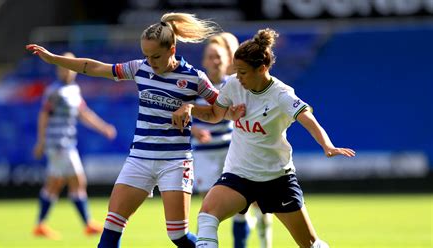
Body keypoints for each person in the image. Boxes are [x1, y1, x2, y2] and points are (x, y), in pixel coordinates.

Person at [26, 12, 221, 248]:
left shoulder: (195, 79)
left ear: (172, 49)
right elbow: (95, 68)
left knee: (177, 235)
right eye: (146, 55)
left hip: (175, 162)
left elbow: (220, 111)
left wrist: (190, 108)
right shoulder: (139, 69)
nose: (151, 62)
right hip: (139, 159)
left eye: (156, 56)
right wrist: (55, 59)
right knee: (111, 228)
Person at [172, 28, 356, 248]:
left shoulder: (282, 94)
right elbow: (214, 115)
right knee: (207, 216)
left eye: (243, 72)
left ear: (262, 68)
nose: (237, 78)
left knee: (310, 244)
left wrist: (327, 145)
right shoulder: (232, 84)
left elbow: (308, 119)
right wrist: (190, 108)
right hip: (239, 174)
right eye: (236, 71)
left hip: (275, 178)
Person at [192, 33, 272, 248]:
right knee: (209, 209)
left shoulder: (236, 84)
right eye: (210, 57)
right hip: (204, 154)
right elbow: (182, 116)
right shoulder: (195, 86)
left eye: (218, 57)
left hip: (232, 153)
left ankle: (259, 239)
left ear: (227, 60)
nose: (214, 61)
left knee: (242, 207)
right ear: (204, 60)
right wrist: (194, 130)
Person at [32, 52, 117, 239]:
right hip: (58, 143)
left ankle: (40, 224)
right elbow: (43, 115)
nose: (68, 72)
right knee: (78, 181)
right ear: (58, 69)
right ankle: (87, 223)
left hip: (67, 142)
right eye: (64, 67)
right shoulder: (54, 91)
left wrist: (103, 127)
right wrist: (41, 141)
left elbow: (83, 113)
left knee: (55, 184)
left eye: (71, 68)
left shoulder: (74, 90)